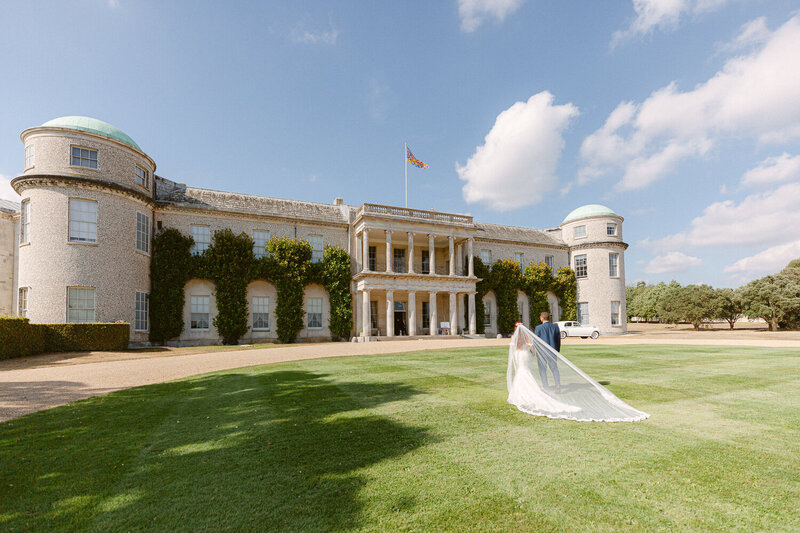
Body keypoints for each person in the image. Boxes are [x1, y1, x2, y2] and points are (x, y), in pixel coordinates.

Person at [533, 312, 561, 393]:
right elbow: (558, 340)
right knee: (555, 369)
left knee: (542, 370)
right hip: (553, 351)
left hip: (542, 352)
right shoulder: (555, 327)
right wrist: (557, 350)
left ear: (542, 318)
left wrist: (533, 350)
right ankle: (557, 384)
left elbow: (535, 341)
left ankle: (546, 387)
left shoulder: (538, 328)